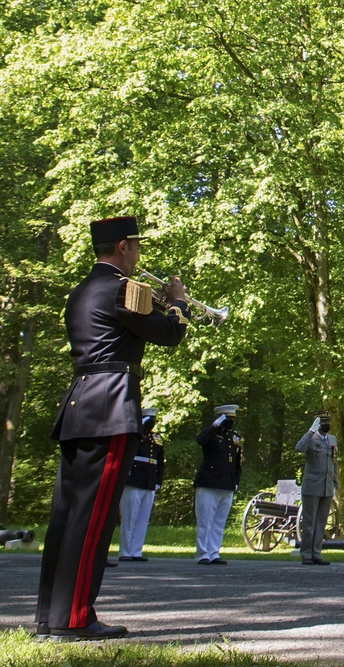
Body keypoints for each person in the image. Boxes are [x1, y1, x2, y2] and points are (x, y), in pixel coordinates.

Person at [36, 215, 189, 642]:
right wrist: (176, 302)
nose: (139, 253)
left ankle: (51, 615)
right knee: (94, 517)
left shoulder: (81, 290)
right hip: (111, 406)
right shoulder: (124, 287)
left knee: (67, 514)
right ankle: (76, 618)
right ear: (123, 246)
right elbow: (168, 335)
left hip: (79, 404)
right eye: (136, 245)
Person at [194, 404, 242, 565]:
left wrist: (236, 480)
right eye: (228, 418)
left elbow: (237, 462)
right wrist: (214, 425)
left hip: (227, 483)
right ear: (221, 418)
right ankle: (203, 553)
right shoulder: (211, 433)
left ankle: (214, 552)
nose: (231, 421)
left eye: (233, 418)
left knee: (219, 522)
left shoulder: (234, 436)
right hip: (209, 482)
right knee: (205, 521)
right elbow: (200, 440)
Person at [118, 408, 165, 562]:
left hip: (149, 480)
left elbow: (160, 462)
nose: (151, 423)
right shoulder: (133, 436)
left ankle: (136, 550)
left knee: (143, 518)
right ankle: (125, 551)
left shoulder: (156, 438)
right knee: (129, 517)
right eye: (148, 419)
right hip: (133, 479)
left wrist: (158, 480)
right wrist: (138, 429)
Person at [295, 410, 339, 566]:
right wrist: (310, 431)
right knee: (309, 523)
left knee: (321, 522)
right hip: (312, 485)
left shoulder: (332, 439)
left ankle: (316, 553)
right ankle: (306, 554)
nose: (327, 425)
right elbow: (298, 448)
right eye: (323, 422)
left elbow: (334, 462)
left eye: (328, 421)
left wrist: (335, 483)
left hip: (326, 486)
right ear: (317, 424)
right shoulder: (311, 439)